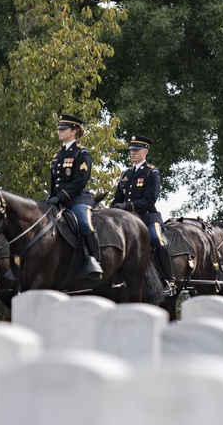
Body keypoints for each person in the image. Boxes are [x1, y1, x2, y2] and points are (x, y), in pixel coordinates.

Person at [110, 134, 176, 294]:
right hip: (127, 220)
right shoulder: (125, 175)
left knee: (157, 240)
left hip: (147, 217)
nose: (133, 153)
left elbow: (149, 200)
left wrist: (126, 206)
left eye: (137, 150)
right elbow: (117, 199)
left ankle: (169, 280)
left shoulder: (151, 173)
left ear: (145, 151)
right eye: (131, 150)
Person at [45, 113, 102, 280]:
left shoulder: (81, 153)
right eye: (59, 128)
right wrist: (51, 198)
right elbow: (53, 182)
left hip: (76, 199)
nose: (60, 131)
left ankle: (94, 260)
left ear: (75, 131)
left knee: (85, 224)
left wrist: (61, 197)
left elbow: (80, 181)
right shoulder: (57, 155)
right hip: (57, 199)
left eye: (64, 129)